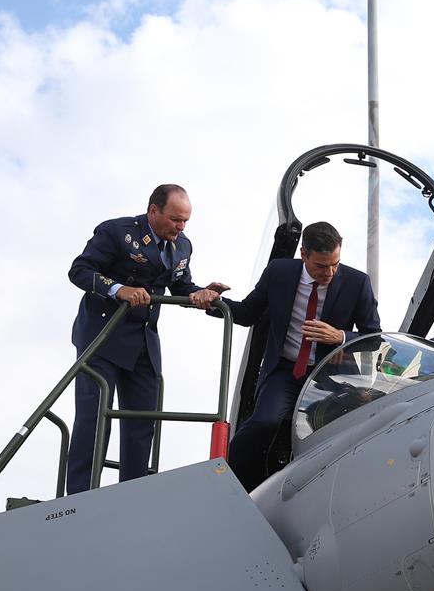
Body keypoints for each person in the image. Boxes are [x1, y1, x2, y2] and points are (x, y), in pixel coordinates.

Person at [66, 184, 228, 494]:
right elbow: (79, 270)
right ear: (153, 211)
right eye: (175, 220)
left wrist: (201, 294)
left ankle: (134, 494)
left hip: (143, 341)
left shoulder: (182, 246)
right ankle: (79, 496)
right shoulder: (117, 232)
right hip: (102, 336)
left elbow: (180, 286)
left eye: (185, 221)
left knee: (142, 421)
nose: (180, 228)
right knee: (94, 419)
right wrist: (118, 289)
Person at [223, 221, 381, 490]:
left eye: (335, 264)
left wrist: (340, 337)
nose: (329, 272)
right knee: (264, 422)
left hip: (329, 378)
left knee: (343, 435)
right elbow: (247, 313)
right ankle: (231, 484)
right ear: (303, 255)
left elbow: (374, 337)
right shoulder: (279, 273)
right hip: (285, 372)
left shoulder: (357, 283)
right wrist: (212, 302)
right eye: (321, 266)